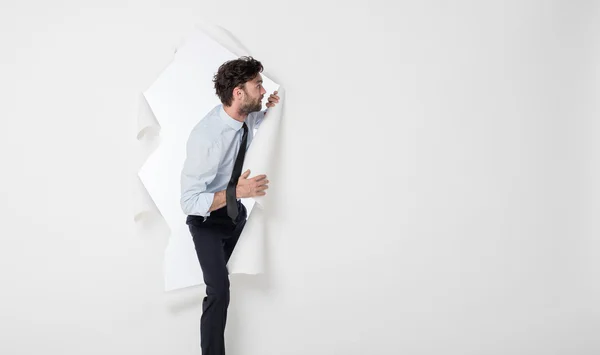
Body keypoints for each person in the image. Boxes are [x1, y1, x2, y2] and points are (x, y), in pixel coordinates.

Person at [180, 56, 279, 355]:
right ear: (238, 93)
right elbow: (189, 202)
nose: (262, 91)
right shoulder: (206, 138)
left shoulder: (245, 115)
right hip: (207, 223)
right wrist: (237, 191)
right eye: (258, 86)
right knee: (219, 291)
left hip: (236, 217)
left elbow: (258, 122)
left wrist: (271, 109)